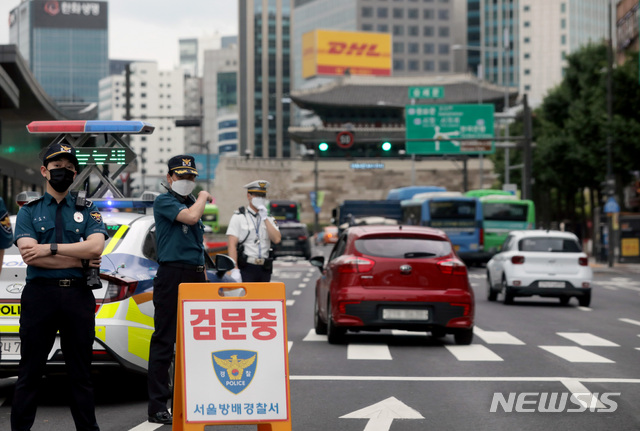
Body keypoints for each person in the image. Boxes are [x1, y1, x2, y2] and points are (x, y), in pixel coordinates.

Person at [11, 143, 107, 431]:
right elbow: (29, 254)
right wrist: (79, 259)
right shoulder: (29, 211)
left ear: (75, 173)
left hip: (78, 296)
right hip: (40, 296)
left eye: (68, 168)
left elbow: (96, 246)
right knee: (30, 371)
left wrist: (48, 249)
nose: (62, 172)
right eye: (56, 168)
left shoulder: (89, 209)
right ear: (44, 171)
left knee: (81, 373)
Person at [147, 155, 213, 425]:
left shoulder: (188, 202)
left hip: (196, 276)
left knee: (197, 342)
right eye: (180, 176)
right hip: (172, 276)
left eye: (190, 177)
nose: (186, 181)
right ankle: (157, 406)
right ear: (169, 178)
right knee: (164, 341)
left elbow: (197, 249)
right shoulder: (165, 201)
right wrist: (204, 195)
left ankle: (195, 400)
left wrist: (205, 277)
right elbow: (191, 217)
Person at [226, 180, 281, 282]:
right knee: (248, 298)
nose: (260, 198)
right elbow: (232, 245)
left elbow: (277, 239)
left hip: (265, 267)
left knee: (262, 297)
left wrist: (265, 219)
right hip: (246, 267)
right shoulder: (239, 217)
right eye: (257, 195)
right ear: (249, 196)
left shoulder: (269, 218)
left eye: (262, 196)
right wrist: (234, 269)